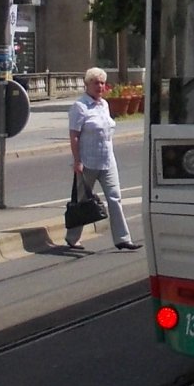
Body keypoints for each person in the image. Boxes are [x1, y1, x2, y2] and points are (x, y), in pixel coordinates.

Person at [66, 67, 142, 251]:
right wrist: (77, 161)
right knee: (83, 202)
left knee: (115, 198)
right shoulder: (80, 107)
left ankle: (123, 239)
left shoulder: (104, 105)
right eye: (96, 83)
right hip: (88, 162)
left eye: (102, 83)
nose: (100, 86)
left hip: (108, 160)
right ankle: (72, 237)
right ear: (87, 85)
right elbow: (74, 136)